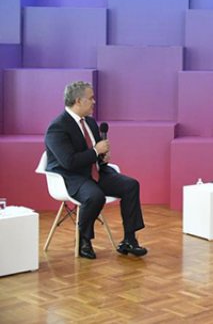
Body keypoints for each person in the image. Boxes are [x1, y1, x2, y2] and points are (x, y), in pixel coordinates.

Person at [44, 81, 147, 259]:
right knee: (95, 196)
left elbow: (95, 153)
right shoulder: (57, 127)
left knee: (131, 185)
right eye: (91, 98)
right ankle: (84, 240)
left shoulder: (90, 123)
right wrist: (95, 152)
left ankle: (129, 240)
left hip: (96, 173)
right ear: (78, 101)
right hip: (72, 177)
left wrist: (101, 157)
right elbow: (69, 162)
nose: (94, 102)